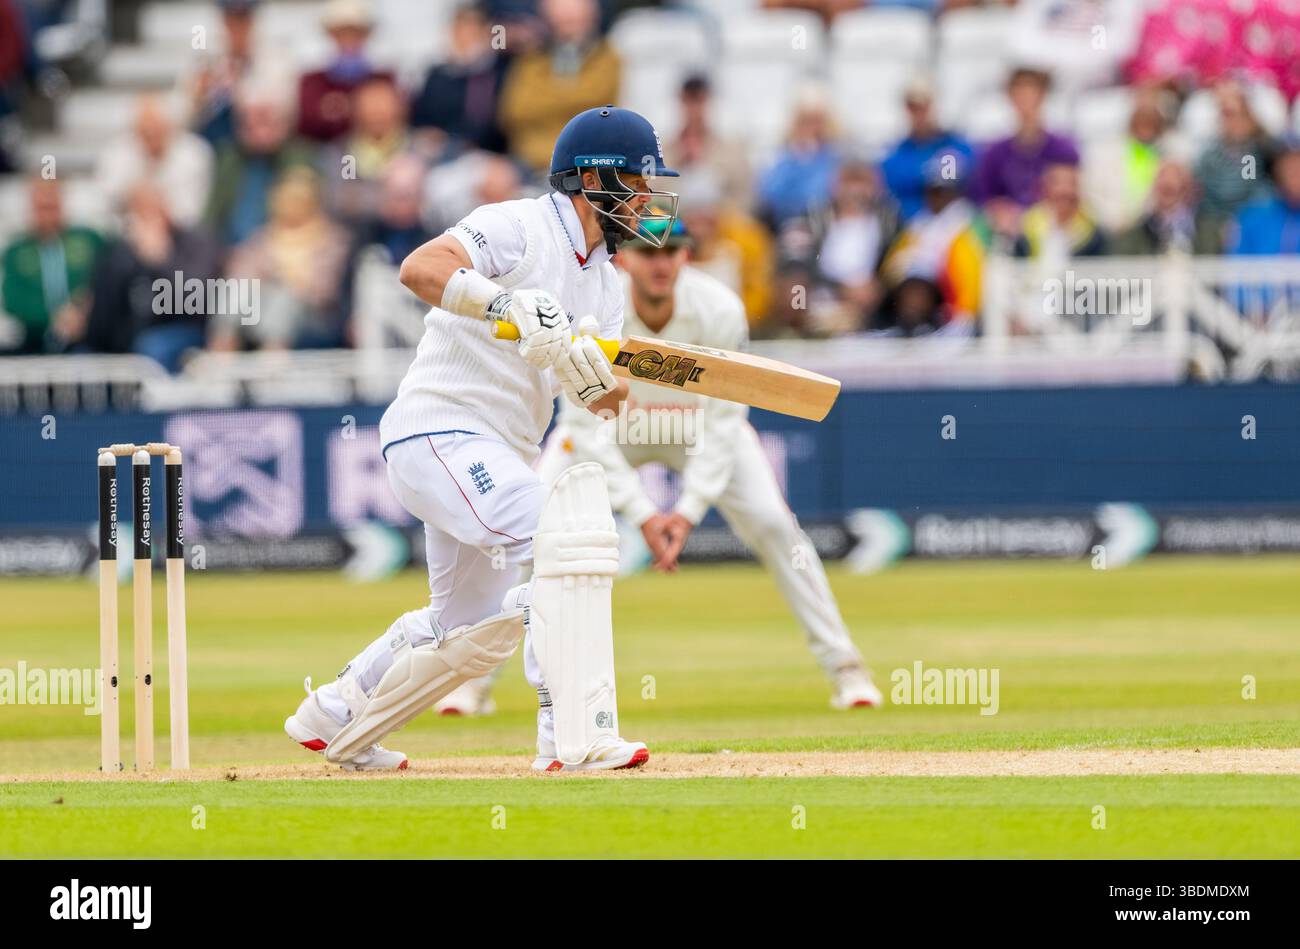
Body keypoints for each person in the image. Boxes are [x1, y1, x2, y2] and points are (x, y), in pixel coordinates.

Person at [284, 106, 681, 771]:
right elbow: (418, 268)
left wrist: (588, 377)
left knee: (468, 631)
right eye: (638, 184)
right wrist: (505, 304)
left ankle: (335, 712)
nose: (648, 201)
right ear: (594, 181)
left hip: (497, 454)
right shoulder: (518, 225)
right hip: (437, 427)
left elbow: (607, 400)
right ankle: (572, 735)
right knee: (561, 536)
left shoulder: (608, 287)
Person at [436, 219, 883, 717]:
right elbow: (586, 424)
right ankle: (472, 680)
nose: (661, 263)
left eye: (672, 252)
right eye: (649, 253)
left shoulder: (719, 309)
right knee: (530, 534)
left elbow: (724, 423)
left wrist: (687, 511)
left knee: (777, 527)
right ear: (625, 259)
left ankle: (847, 669)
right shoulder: (599, 302)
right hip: (610, 427)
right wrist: (646, 513)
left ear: (687, 258)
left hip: (697, 429)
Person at [497, 0, 620, 175]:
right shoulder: (530, 60)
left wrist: (545, 98)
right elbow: (514, 111)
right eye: (560, 21)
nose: (567, 29)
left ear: (592, 19)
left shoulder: (608, 58)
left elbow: (597, 105)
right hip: (527, 164)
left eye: (573, 20)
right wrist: (569, 98)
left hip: (587, 165)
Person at [1, 176, 103, 354]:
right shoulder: (16, 251)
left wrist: (82, 312)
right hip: (33, 342)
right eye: (42, 208)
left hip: (88, 337)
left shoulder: (89, 240)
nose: (48, 216)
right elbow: (13, 300)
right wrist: (54, 319)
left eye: (53, 207)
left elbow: (107, 280)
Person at [409, 2, 509, 154]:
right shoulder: (437, 75)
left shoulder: (499, 72)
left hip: (486, 153)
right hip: (437, 152)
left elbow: (499, 124)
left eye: (472, 29)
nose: (464, 37)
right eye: (459, 29)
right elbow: (420, 119)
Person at [296, 0, 396, 143]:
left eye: (356, 32)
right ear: (332, 35)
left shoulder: (384, 79)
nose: (349, 39)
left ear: (366, 35)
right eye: (342, 33)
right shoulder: (313, 82)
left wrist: (343, 109)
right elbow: (307, 124)